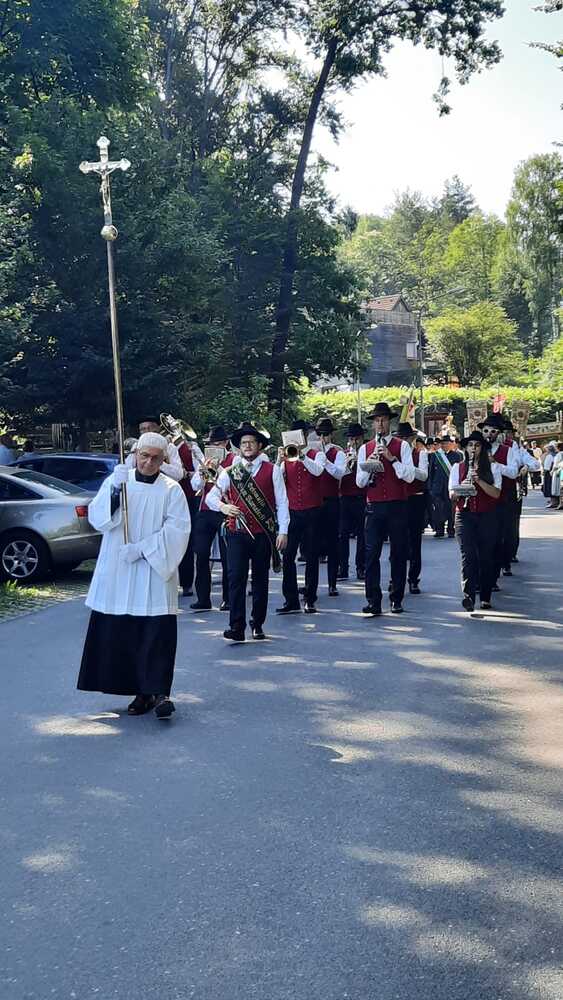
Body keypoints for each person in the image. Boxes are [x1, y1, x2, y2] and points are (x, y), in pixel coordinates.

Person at [77, 432, 190, 719]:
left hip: (153, 569)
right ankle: (138, 691)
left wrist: (141, 549)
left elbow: (177, 531)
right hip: (119, 568)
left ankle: (157, 692)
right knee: (123, 632)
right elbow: (98, 518)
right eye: (144, 456)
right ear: (135, 454)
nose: (148, 463)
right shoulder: (118, 480)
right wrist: (115, 491)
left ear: (163, 460)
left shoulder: (171, 490)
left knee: (155, 633)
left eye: (155, 458)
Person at [206, 422, 289, 642]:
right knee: (236, 579)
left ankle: (257, 623)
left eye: (252, 442)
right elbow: (211, 497)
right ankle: (236, 627)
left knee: (260, 580)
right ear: (239, 447)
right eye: (244, 443)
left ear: (259, 445)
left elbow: (282, 502)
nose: (248, 446)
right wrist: (223, 507)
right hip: (236, 533)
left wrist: (283, 531)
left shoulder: (272, 470)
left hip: (263, 533)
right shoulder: (230, 472)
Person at [356, 402, 415, 615]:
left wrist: (392, 458)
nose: (380, 424)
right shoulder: (365, 449)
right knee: (371, 554)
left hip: (397, 505)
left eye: (383, 420)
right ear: (373, 424)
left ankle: (396, 598)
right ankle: (373, 600)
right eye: (377, 420)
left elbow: (410, 476)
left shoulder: (402, 446)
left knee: (398, 554)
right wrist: (369, 465)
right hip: (374, 507)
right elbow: (360, 482)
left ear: (389, 422)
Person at [276, 419, 325, 615]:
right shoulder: (286, 458)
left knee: (312, 556)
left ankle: (310, 599)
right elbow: (276, 480)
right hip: (292, 513)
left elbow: (318, 471)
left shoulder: (317, 454)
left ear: (305, 436)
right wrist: (279, 461)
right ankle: (291, 599)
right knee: (288, 556)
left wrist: (301, 455)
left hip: (313, 511)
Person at [449, 430, 501, 612]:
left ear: (482, 448)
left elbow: (496, 493)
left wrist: (479, 481)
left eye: (477, 445)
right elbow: (452, 495)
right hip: (464, 515)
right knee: (468, 555)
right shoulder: (457, 468)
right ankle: (469, 596)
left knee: (486, 556)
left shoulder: (493, 468)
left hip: (487, 515)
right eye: (470, 445)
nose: (473, 448)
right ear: (465, 448)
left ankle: (485, 596)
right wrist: (463, 486)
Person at [189, 426, 234, 611]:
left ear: (226, 443)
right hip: (205, 510)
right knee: (201, 554)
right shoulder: (205, 461)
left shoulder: (234, 460)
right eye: (211, 444)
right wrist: (203, 470)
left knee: (227, 555)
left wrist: (219, 468)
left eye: (218, 444)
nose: (215, 447)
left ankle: (228, 598)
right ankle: (203, 598)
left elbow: (234, 482)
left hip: (224, 510)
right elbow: (195, 486)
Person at [477, 414, 519, 584]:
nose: (489, 434)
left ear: (499, 433)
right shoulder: (476, 448)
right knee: (481, 539)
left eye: (493, 431)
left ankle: (493, 576)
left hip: (502, 500)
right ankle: (481, 576)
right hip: (481, 500)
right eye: (486, 431)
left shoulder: (507, 451)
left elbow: (513, 472)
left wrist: (495, 463)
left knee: (498, 538)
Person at [315, 417, 346, 596]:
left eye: (326, 434)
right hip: (314, 502)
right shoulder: (311, 452)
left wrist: (325, 460)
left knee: (333, 542)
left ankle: (332, 583)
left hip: (332, 501)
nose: (322, 438)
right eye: (320, 434)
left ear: (331, 435)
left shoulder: (338, 453)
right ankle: (311, 586)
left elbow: (339, 474)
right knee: (313, 543)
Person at [397, 424, 428, 595]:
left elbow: (424, 475)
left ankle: (413, 579)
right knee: (398, 541)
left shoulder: (420, 453)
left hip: (415, 498)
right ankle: (396, 578)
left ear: (412, 439)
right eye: (401, 438)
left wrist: (408, 468)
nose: (403, 441)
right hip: (399, 500)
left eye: (406, 438)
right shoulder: (394, 455)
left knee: (415, 541)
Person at [338, 422, 367, 582]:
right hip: (346, 498)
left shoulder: (367, 454)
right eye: (351, 439)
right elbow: (337, 477)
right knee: (343, 534)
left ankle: (361, 567)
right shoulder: (343, 455)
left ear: (362, 438)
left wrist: (360, 462)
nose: (354, 442)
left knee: (362, 534)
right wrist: (346, 464)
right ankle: (343, 567)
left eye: (357, 439)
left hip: (362, 497)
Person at [129, 416, 184, 483]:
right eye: (143, 429)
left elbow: (178, 475)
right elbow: (128, 469)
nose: (147, 431)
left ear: (157, 429)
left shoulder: (169, 447)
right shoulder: (136, 446)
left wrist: (158, 461)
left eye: (150, 428)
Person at [428, 436, 459, 537]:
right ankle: (439, 530)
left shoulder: (456, 456)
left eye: (446, 443)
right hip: (437, 487)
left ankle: (451, 530)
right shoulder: (435, 455)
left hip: (450, 487)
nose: (444, 445)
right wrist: (430, 487)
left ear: (451, 444)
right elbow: (431, 472)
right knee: (438, 509)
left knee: (451, 509)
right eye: (443, 443)